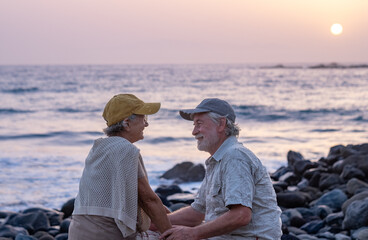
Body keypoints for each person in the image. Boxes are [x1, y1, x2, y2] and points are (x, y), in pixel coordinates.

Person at [161, 98, 282, 240]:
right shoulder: (218, 160)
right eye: (194, 125)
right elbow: (197, 213)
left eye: (199, 124)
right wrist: (153, 224)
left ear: (221, 124)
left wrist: (192, 233)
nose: (194, 132)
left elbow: (241, 216)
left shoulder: (235, 156)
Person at [69, 94, 171, 240]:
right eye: (144, 119)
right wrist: (171, 235)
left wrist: (166, 214)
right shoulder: (126, 149)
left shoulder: (98, 148)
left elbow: (137, 198)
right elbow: (148, 200)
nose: (146, 124)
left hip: (77, 232)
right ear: (127, 123)